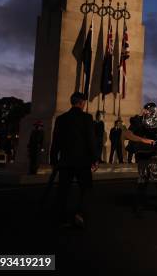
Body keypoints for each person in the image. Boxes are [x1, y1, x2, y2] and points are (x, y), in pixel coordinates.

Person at [50, 92, 98, 228]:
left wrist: (54, 160)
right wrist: (95, 158)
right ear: (82, 103)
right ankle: (79, 214)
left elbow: (56, 142)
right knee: (86, 189)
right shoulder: (87, 118)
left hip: (66, 161)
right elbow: (91, 140)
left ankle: (62, 218)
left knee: (63, 190)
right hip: (82, 161)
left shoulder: (61, 119)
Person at [123, 103, 157, 216]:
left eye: (153, 111)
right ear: (144, 110)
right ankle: (139, 207)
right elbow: (127, 134)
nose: (151, 112)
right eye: (149, 110)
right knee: (143, 181)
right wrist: (144, 140)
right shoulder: (138, 121)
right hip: (143, 154)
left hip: (156, 154)